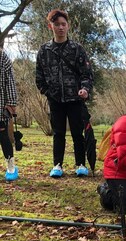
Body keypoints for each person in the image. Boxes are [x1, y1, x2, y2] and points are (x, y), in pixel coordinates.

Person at [35, 9, 93, 178]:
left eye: (63, 24)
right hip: (55, 99)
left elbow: (87, 73)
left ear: (68, 26)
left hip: (75, 99)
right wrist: (47, 92)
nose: (60, 28)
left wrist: (85, 89)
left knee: (77, 133)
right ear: (50, 26)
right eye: (57, 24)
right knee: (58, 133)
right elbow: (39, 77)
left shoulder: (77, 49)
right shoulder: (44, 50)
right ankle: (57, 165)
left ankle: (81, 164)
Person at [0, 50, 19, 181]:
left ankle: (11, 166)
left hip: (0, 104)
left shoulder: (2, 56)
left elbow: (10, 80)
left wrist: (11, 102)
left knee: (2, 134)